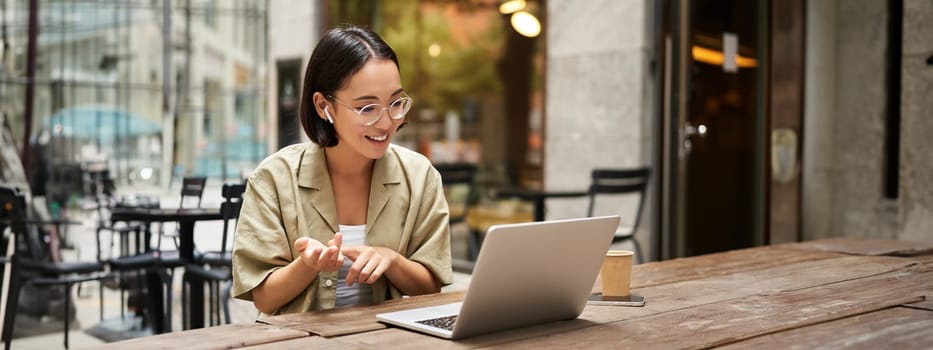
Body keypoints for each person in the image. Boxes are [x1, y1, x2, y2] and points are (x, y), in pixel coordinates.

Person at [232, 25, 453, 316]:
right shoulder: (274, 178)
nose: (387, 123)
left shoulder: (420, 176)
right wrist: (307, 266)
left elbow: (431, 287)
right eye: (367, 108)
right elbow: (264, 299)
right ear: (324, 106)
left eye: (395, 103)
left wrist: (391, 260)